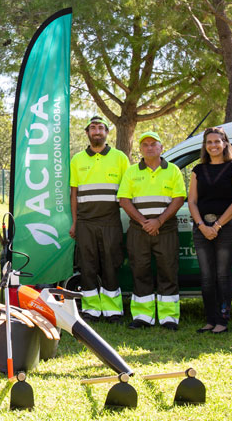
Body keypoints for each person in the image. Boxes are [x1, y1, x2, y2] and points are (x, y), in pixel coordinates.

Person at [117, 131, 186, 331]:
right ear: (140, 149)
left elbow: (179, 198)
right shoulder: (131, 172)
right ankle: (142, 316)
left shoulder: (172, 170)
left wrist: (159, 221)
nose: (149, 147)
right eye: (145, 144)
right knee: (140, 271)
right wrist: (145, 222)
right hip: (139, 230)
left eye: (153, 144)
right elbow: (124, 200)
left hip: (166, 229)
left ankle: (169, 318)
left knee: (168, 270)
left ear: (161, 147)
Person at [69, 116, 130, 323]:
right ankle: (91, 310)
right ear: (87, 132)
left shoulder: (120, 158)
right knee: (88, 266)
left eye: (101, 128)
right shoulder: (77, 159)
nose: (97, 131)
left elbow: (127, 192)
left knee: (111, 264)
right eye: (93, 128)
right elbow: (74, 193)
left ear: (106, 133)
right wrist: (75, 223)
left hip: (111, 220)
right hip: (86, 221)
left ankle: (113, 310)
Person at [188, 127, 232, 334]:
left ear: (225, 144)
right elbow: (192, 201)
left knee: (222, 275)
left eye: (217, 142)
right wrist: (202, 226)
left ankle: (223, 320)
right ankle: (210, 320)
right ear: (205, 146)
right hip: (201, 228)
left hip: (226, 228)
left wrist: (217, 225)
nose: (213, 146)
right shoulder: (197, 171)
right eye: (209, 142)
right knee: (206, 276)